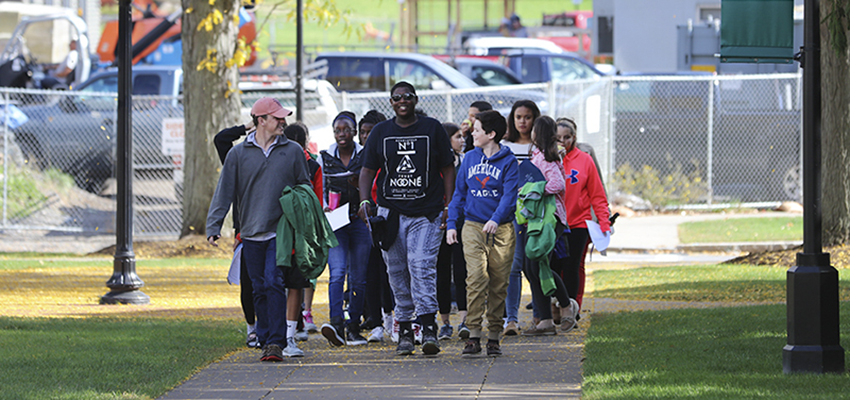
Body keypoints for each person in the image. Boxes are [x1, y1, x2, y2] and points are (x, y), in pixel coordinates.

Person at [207, 97, 311, 362]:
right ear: (260, 120)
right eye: (277, 118)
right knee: (258, 286)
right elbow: (224, 191)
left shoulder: (293, 151)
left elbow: (305, 186)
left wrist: (302, 217)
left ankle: (275, 342)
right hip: (251, 232)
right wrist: (214, 225)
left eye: (283, 117)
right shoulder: (238, 154)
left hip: (281, 230)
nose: (283, 122)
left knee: (274, 281)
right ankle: (265, 338)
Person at [357, 81, 456, 356]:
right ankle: (404, 331)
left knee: (421, 266)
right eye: (397, 97)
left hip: (427, 211)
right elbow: (367, 170)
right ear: (391, 102)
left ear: (415, 99)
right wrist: (366, 200)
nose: (402, 101)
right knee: (397, 271)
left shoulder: (431, 128)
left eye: (407, 97)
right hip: (390, 213)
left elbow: (448, 168)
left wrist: (448, 205)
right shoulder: (381, 132)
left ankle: (428, 328)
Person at [446, 110, 518, 357]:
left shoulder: (509, 162)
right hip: (474, 226)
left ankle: (494, 336)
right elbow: (459, 194)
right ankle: (473, 334)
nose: (471, 134)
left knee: (498, 283)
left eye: (476, 130)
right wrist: (452, 224)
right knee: (476, 277)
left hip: (502, 230)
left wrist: (496, 219)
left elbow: (510, 197)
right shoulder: (469, 159)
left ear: (491, 134)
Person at [318, 111, 372, 347]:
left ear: (354, 132)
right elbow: (319, 188)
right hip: (336, 222)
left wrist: (366, 203)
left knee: (358, 277)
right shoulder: (325, 157)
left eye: (346, 130)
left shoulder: (365, 155)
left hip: (359, 222)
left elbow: (372, 182)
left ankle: (354, 327)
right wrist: (323, 208)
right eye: (338, 130)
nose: (342, 134)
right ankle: (336, 324)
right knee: (338, 272)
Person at [521, 115, 575, 336]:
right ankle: (545, 319)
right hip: (536, 218)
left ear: (538, 132)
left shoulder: (547, 157)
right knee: (530, 266)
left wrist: (533, 189)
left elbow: (557, 184)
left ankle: (565, 304)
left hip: (549, 218)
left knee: (538, 264)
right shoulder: (537, 155)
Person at [556, 118, 610, 327]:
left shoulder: (584, 159)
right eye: (558, 138)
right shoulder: (547, 159)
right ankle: (554, 308)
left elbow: (597, 194)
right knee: (553, 266)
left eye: (567, 138)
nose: (563, 142)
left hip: (578, 222)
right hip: (555, 223)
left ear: (574, 138)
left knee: (572, 267)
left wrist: (603, 222)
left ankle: (571, 310)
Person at [501, 100, 541, 336]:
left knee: (534, 264)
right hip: (512, 213)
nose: (523, 122)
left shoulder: (540, 148)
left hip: (537, 214)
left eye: (527, 117)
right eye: (518, 117)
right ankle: (511, 319)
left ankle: (539, 315)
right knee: (514, 266)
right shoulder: (505, 147)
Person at [357, 110, 396, 343]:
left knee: (389, 273)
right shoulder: (360, 157)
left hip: (388, 219)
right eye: (362, 133)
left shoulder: (388, 155)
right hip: (365, 222)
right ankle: (376, 322)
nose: (366, 137)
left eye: (370, 133)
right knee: (370, 273)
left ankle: (394, 319)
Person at [436, 122, 469, 340]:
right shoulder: (436, 164)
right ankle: (445, 322)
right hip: (439, 223)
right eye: (457, 136)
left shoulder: (466, 161)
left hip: (462, 222)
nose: (462, 140)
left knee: (462, 271)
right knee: (441, 272)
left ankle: (465, 320)